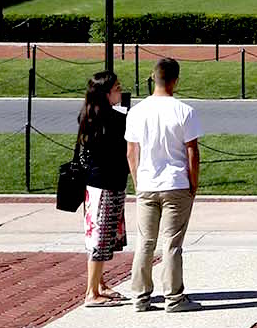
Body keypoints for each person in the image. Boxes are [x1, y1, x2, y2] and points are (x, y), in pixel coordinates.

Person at [124, 57, 201, 313]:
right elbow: (192, 152)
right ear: (175, 81)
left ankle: (140, 297)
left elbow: (131, 152)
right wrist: (194, 182)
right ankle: (174, 297)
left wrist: (137, 181)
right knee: (172, 243)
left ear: (152, 77)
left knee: (145, 242)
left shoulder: (137, 111)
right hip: (176, 183)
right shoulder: (184, 111)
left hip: (147, 183)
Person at [75, 70, 129, 307]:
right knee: (101, 237)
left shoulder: (89, 115)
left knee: (101, 236)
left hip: (95, 184)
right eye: (117, 88)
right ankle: (91, 292)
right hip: (107, 184)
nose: (121, 91)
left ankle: (100, 283)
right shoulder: (113, 120)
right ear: (107, 93)